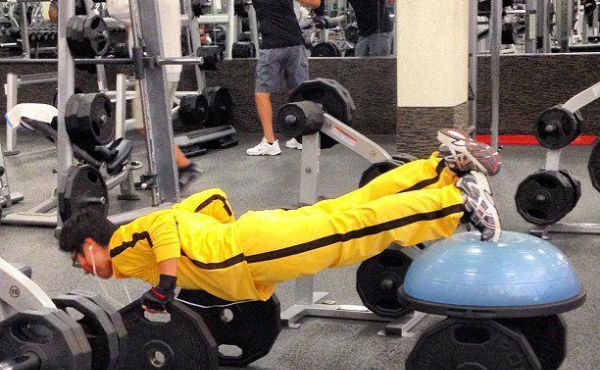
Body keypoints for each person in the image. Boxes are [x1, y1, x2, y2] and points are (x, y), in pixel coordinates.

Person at [59, 132, 501, 312]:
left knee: (355, 229)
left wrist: (167, 286)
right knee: (352, 209)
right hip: (255, 237)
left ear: (91, 246)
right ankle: (442, 167)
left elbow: (163, 230)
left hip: (253, 251)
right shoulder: (140, 245)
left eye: (79, 259)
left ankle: (457, 201)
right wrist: (221, 238)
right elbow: (213, 198)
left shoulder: (123, 244)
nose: (83, 268)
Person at [106, 0, 202, 188]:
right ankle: (167, 171)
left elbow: (115, 7)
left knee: (147, 124)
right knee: (156, 123)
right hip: (165, 67)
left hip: (155, 70)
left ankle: (183, 167)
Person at [246, 0, 323, 157]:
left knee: (262, 93)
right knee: (300, 92)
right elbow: (314, 0)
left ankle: (270, 142)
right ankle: (302, 138)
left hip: (272, 47)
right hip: (294, 45)